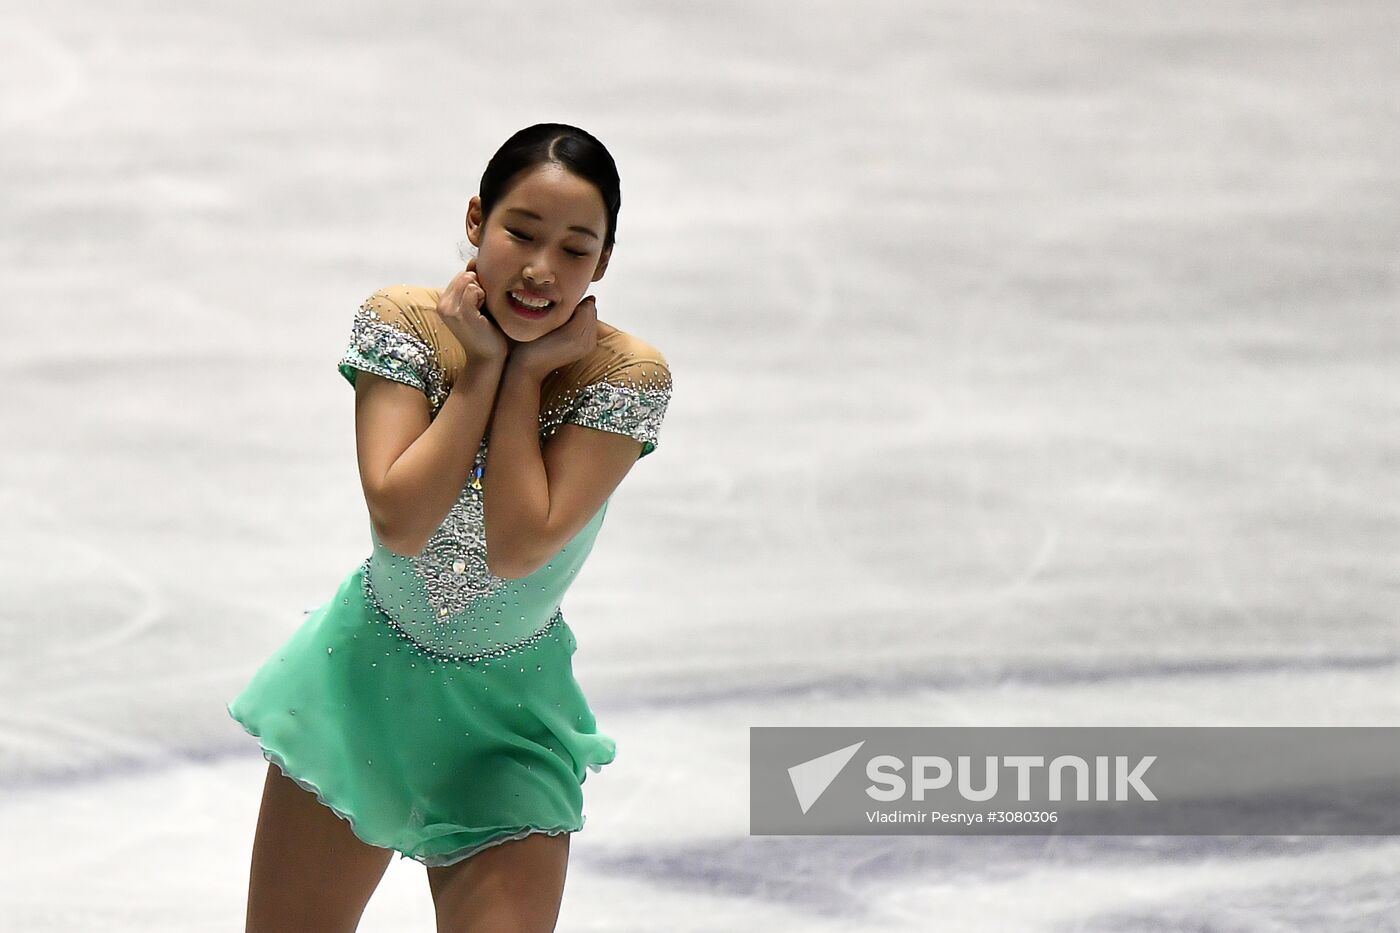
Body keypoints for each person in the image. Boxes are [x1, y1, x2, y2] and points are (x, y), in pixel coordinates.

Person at [226, 123, 672, 933]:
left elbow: (518, 543)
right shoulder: (403, 323)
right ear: (476, 220)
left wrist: (529, 371)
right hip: (360, 687)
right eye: (521, 233)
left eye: (575, 250)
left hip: (507, 726)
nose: (541, 270)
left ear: (603, 262)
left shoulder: (621, 376)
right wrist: (484, 370)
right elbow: (399, 516)